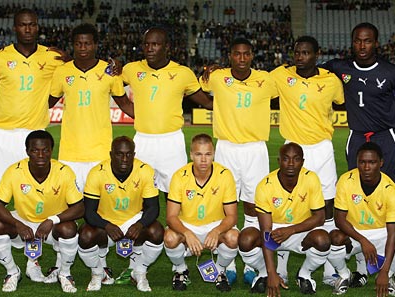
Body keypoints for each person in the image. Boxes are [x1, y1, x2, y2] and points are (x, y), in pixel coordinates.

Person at [322, 22, 395, 289]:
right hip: (357, 139)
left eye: (367, 41)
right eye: (357, 41)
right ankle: (362, 266)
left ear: (376, 43)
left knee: (393, 194)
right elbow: (307, 71)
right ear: (351, 42)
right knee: (357, 196)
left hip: (386, 138)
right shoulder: (339, 68)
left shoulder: (391, 72)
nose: (362, 46)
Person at [0, 8, 67, 284]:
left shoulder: (51, 57)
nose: (28, 29)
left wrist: (63, 52)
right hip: (4, 136)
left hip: (37, 138)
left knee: (35, 201)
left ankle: (32, 261)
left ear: (37, 27)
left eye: (32, 25)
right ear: (14, 27)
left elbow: (76, 67)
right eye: (22, 25)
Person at [48, 23, 134, 284]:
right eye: (78, 44)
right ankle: (61, 265)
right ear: (73, 45)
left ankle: (103, 264)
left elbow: (124, 104)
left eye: (88, 43)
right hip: (70, 155)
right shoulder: (62, 72)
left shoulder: (109, 71)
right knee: (66, 211)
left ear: (96, 45)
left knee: (101, 213)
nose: (83, 48)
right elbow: (45, 102)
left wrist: (154, 119)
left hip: (99, 155)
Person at [199, 37, 278, 285]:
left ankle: (250, 258)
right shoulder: (218, 77)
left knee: (253, 204)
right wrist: (206, 75)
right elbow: (196, 88)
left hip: (255, 149)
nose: (241, 58)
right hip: (226, 148)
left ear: (252, 55)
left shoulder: (267, 79)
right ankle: (229, 258)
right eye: (236, 54)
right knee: (226, 203)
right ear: (229, 55)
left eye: (246, 54)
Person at [269, 35, 344, 286]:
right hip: (293, 150)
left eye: (306, 53)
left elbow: (348, 99)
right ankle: (281, 267)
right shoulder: (280, 75)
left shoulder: (330, 80)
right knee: (288, 204)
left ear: (317, 54)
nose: (300, 57)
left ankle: (329, 267)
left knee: (328, 205)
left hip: (322, 148)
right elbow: (253, 80)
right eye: (297, 52)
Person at [120, 27, 213, 199]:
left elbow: (207, 102)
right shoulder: (131, 69)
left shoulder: (183, 73)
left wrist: (221, 79)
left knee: (175, 194)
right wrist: (128, 107)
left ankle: (175, 226)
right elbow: (111, 84)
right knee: (137, 193)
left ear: (167, 47)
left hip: (171, 142)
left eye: (155, 44)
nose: (149, 48)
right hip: (142, 140)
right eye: (146, 44)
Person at [0, 130, 84, 293]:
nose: (41, 155)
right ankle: (12, 272)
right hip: (24, 220)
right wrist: (18, 224)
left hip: (52, 226)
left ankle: (65, 274)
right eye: (35, 150)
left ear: (51, 151)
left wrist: (52, 220)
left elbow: (80, 207)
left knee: (69, 229)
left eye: (45, 150)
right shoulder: (14, 171)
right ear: (27, 151)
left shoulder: (64, 172)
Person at [238, 142, 330, 296]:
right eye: (286, 159)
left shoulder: (311, 179)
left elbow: (320, 218)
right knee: (245, 240)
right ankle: (263, 273)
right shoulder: (265, 186)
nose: (291, 164)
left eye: (296, 159)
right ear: (279, 161)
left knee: (323, 240)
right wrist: (272, 272)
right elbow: (266, 231)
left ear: (303, 162)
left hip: (300, 229)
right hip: (273, 230)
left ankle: (304, 275)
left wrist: (291, 230)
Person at [77, 136, 164, 292]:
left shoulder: (145, 171)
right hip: (106, 224)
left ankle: (139, 272)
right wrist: (106, 225)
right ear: (111, 154)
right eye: (119, 154)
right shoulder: (97, 172)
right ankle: (98, 274)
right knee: (85, 235)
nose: (124, 158)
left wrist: (140, 224)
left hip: (133, 220)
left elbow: (153, 208)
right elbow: (88, 211)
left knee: (157, 231)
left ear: (134, 154)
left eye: (128, 154)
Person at [328, 142, 395, 297]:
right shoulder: (345, 180)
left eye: (372, 162)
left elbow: (393, 233)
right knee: (334, 238)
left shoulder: (391, 189)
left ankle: (387, 277)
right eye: (362, 162)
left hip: (382, 232)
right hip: (355, 231)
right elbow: (339, 219)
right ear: (357, 162)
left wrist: (385, 271)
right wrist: (363, 240)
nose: (366, 167)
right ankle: (344, 275)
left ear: (381, 163)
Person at [164, 134, 239, 292]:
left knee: (234, 237)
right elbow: (171, 217)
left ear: (213, 155)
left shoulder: (225, 175)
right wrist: (187, 233)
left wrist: (217, 230)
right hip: (187, 225)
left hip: (215, 224)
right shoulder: (179, 176)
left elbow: (232, 216)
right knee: (170, 237)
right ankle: (181, 270)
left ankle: (219, 271)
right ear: (191, 155)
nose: (203, 160)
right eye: (198, 154)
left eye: (208, 154)